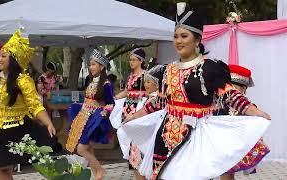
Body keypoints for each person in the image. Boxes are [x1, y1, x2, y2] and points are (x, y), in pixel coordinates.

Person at [122, 3, 270, 180]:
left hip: (194, 137)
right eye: (176, 36)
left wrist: (254, 111)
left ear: (197, 40)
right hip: (166, 136)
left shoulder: (210, 68)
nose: (178, 41)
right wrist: (136, 115)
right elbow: (160, 101)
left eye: (184, 36)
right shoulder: (168, 70)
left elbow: (230, 94)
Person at [0, 29, 56, 180]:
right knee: (5, 171)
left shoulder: (22, 80)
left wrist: (48, 122)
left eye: (3, 56)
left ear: (14, 59)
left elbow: (35, 105)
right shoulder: (0, 78)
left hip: (11, 129)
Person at [66, 49, 114, 180]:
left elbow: (111, 103)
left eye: (93, 64)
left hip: (94, 119)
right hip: (84, 117)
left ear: (102, 66)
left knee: (81, 148)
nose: (90, 67)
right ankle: (96, 174)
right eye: (90, 64)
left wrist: (105, 112)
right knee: (89, 148)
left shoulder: (106, 84)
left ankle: (99, 171)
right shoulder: (92, 81)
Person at [219, 64, 270, 180]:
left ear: (244, 89)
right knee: (226, 174)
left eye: (238, 88)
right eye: (231, 88)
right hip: (221, 145)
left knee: (228, 175)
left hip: (235, 146)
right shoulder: (218, 104)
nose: (235, 92)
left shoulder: (248, 107)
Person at [111, 48, 147, 180]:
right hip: (127, 111)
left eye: (133, 60)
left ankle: (142, 173)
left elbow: (150, 94)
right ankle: (137, 173)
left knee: (137, 145)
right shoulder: (131, 76)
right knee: (127, 142)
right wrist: (114, 99)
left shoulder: (146, 76)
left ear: (141, 61)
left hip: (139, 112)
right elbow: (127, 91)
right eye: (130, 59)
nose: (130, 62)